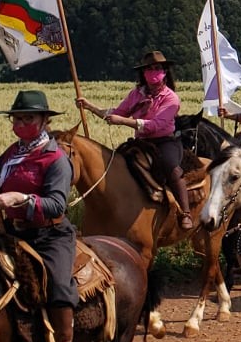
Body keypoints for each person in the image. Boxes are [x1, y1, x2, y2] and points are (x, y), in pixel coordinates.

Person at [0, 90, 78, 342]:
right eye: (16, 119)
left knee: (58, 284)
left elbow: (57, 205)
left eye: (27, 118)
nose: (20, 124)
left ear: (44, 121)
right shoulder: (12, 154)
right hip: (13, 231)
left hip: (49, 235)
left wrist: (21, 198)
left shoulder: (56, 159)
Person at [79, 51, 193, 231]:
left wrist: (124, 121)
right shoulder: (136, 94)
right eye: (149, 69)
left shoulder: (171, 98)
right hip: (141, 142)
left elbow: (155, 125)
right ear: (143, 73)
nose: (153, 72)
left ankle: (185, 212)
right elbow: (117, 113)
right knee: (116, 163)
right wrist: (89, 107)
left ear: (164, 71)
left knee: (171, 166)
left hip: (164, 141)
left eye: (157, 68)